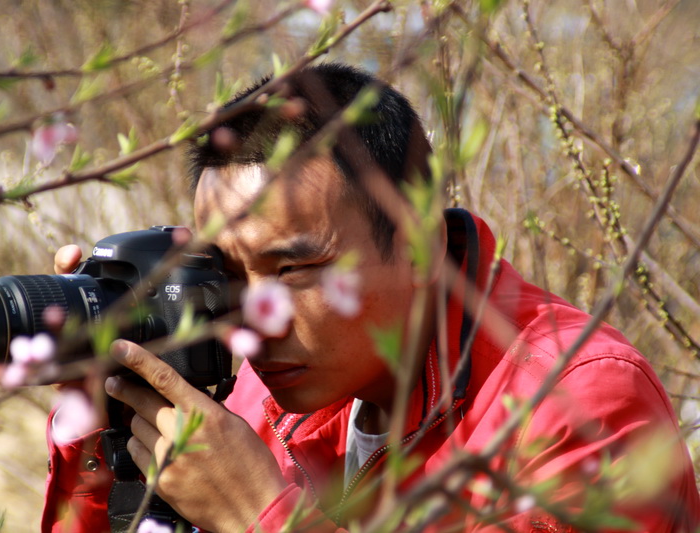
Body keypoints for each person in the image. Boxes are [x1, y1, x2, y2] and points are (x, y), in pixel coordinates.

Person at [42, 63, 700, 532]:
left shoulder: (577, 403)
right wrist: (99, 434)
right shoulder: (257, 398)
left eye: (293, 268)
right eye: (231, 275)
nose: (253, 318)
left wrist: (262, 518)